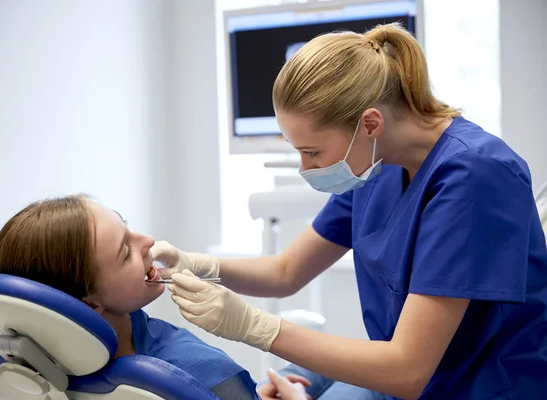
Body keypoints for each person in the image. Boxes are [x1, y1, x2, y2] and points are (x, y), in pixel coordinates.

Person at [153, 22, 547, 400]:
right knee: (301, 377)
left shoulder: (475, 176)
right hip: (412, 379)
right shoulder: (377, 164)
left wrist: (252, 327)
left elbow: (407, 370)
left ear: (370, 123)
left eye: (311, 152)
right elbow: (287, 271)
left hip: (479, 387)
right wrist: (200, 264)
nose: (305, 168)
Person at [0, 194, 311, 400]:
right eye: (125, 252)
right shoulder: (190, 366)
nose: (148, 241)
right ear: (90, 304)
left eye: (127, 228)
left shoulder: (37, 371)